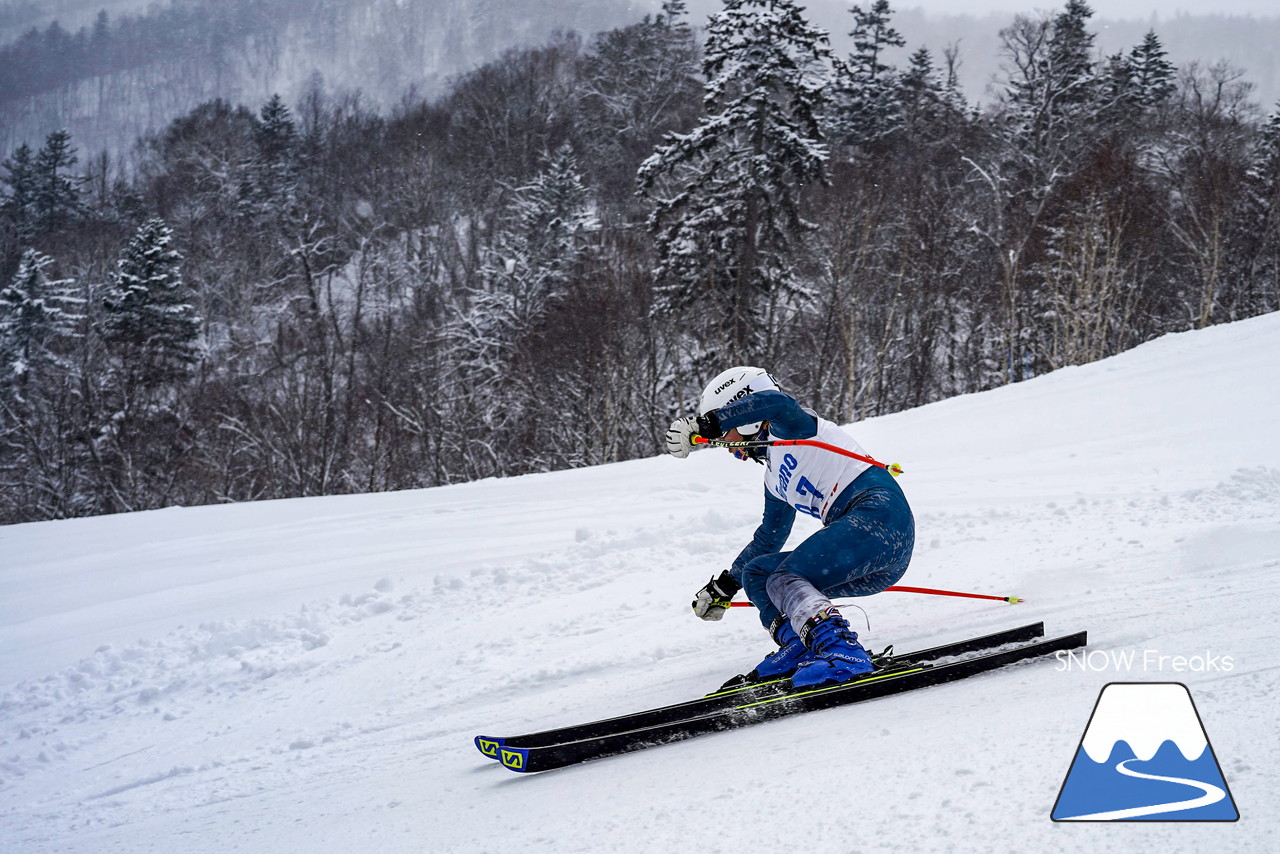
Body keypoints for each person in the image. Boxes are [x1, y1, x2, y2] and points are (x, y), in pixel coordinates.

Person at [664, 366, 915, 689]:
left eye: (728, 436)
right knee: (760, 573)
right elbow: (769, 537)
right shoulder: (774, 476)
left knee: (785, 577)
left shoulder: (793, 427)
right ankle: (802, 645)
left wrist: (706, 424)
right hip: (866, 554)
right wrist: (725, 587)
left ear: (746, 417)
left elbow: (775, 403)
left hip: (879, 517)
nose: (730, 448)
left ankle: (843, 652)